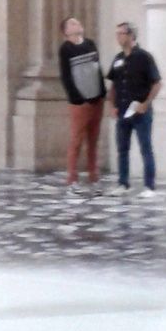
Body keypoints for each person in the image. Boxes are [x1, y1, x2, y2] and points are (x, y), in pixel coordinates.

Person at [106, 21, 161, 198]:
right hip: (122, 110)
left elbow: (157, 83)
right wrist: (112, 105)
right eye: (117, 33)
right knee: (122, 149)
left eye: (121, 33)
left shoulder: (144, 57)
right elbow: (113, 84)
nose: (118, 37)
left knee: (145, 148)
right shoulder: (117, 59)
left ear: (131, 35)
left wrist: (146, 103)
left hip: (140, 111)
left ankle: (149, 186)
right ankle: (123, 183)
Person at [58, 16, 105, 198]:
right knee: (77, 140)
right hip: (80, 102)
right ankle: (72, 179)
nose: (77, 24)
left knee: (93, 141)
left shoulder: (91, 44)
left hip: (96, 100)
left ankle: (94, 177)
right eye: (72, 23)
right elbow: (66, 76)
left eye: (78, 21)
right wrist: (77, 98)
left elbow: (97, 68)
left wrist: (101, 93)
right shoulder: (66, 49)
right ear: (66, 31)